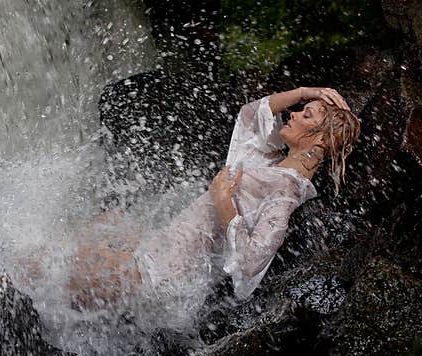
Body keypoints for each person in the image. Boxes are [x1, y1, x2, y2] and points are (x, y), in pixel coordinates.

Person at [64, 87, 361, 321]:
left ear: (320, 142)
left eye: (306, 116)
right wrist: (303, 92)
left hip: (161, 274)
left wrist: (223, 202)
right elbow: (249, 115)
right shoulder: (274, 165)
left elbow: (252, 259)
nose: (294, 114)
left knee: (55, 271)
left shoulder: (285, 191)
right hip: (160, 253)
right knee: (107, 222)